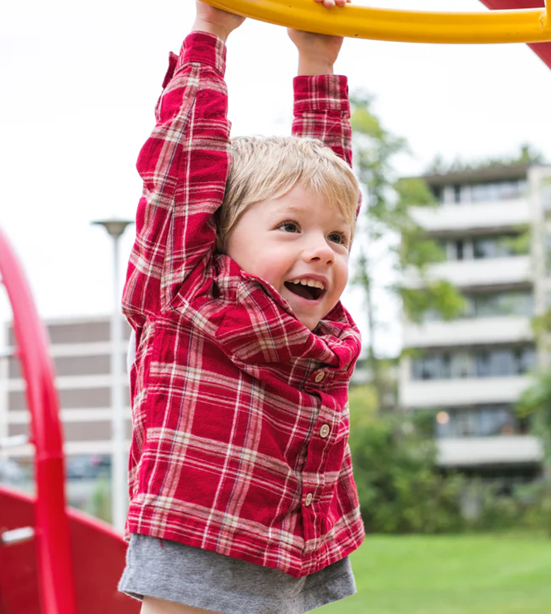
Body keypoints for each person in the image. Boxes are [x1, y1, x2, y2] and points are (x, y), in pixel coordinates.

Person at [118, 1, 363, 612]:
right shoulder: (185, 294)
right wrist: (213, 32)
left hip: (287, 554)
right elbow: (182, 169)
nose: (323, 252)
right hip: (198, 545)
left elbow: (329, 187)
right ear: (218, 233)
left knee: (321, 196)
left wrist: (316, 59)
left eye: (337, 239)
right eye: (288, 227)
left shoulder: (318, 331)